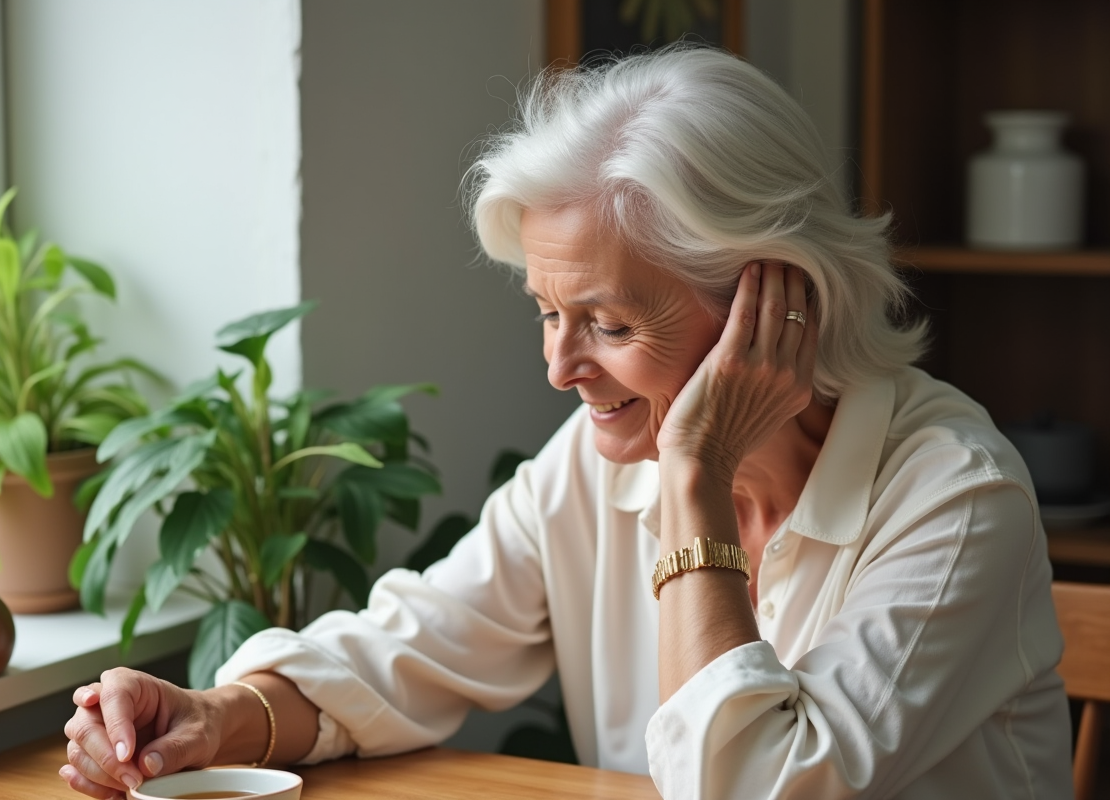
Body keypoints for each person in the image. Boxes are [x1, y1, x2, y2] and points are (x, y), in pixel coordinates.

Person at [61, 46, 1072, 799]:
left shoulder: (955, 497)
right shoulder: (592, 468)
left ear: (775, 299)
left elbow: (753, 785)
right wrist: (212, 716)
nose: (558, 365)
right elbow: (410, 645)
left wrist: (695, 475)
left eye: (609, 322)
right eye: (549, 312)